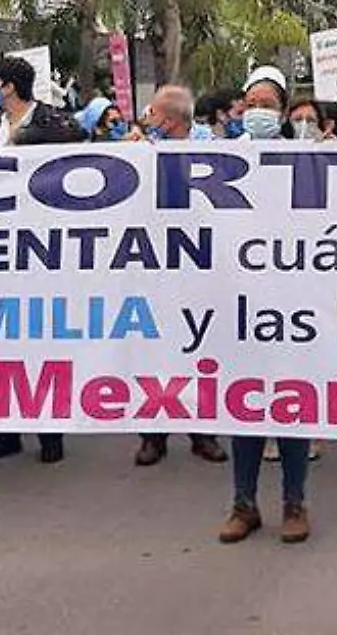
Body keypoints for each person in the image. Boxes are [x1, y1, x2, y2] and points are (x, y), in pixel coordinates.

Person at [0, 57, 81, 466]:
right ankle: (7, 431)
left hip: (43, 247)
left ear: (10, 85)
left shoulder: (55, 123)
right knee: (2, 341)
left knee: (42, 342)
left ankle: (50, 433)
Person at [219, 67, 313, 545]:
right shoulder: (222, 159)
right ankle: (244, 503)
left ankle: (294, 502)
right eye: (251, 102)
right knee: (245, 404)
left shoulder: (306, 158)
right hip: (241, 298)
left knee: (291, 404)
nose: (258, 110)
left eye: (268, 104)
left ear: (282, 110)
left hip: (293, 298)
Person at [133, 84, 231, 468]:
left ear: (170, 121)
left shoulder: (215, 153)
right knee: (153, 350)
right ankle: (152, 436)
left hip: (199, 266)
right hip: (153, 264)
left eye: (153, 114)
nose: (147, 119)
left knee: (199, 350)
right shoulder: (141, 152)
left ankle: (202, 433)